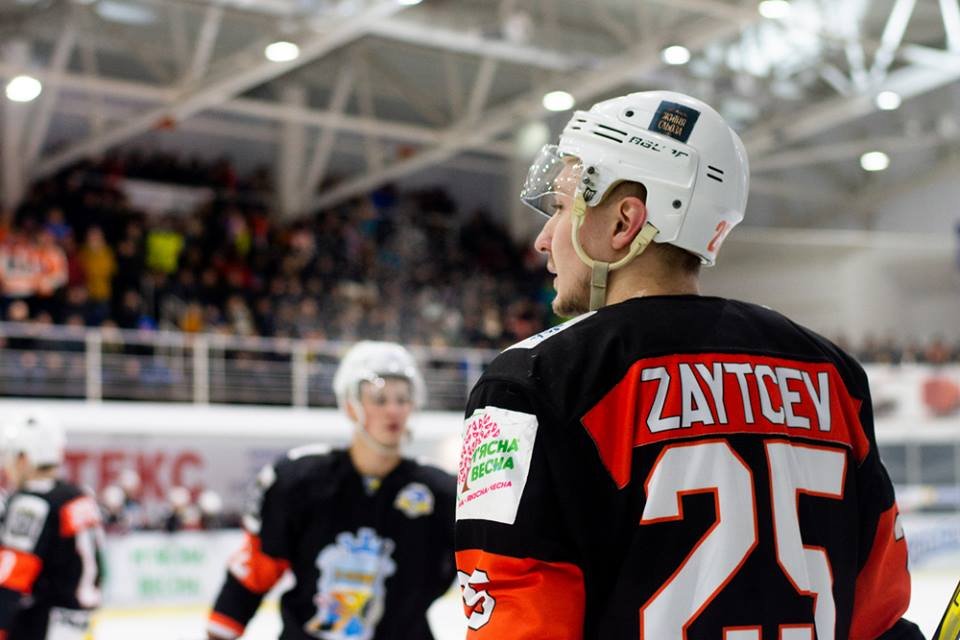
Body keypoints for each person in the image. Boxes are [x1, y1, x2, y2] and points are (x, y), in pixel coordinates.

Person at [454, 91, 923, 639]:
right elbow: (878, 616)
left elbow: (517, 622)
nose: (541, 239)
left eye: (559, 209)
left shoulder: (534, 381)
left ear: (624, 221)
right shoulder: (832, 372)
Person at [207, 341, 456, 640]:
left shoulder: (441, 492)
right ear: (350, 406)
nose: (393, 410)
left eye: (402, 398)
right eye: (379, 399)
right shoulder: (298, 481)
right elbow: (255, 570)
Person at [0, 412, 103, 639]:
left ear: (24, 458)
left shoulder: (31, 503)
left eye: (9, 457)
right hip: (78, 623)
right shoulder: (79, 496)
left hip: (40, 623)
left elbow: (12, 577)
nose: (6, 466)